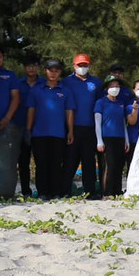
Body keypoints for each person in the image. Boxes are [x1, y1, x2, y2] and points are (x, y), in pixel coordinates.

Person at [26, 60, 74, 197]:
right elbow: (31, 110)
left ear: (60, 72)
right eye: (50, 70)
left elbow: (69, 111)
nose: (53, 74)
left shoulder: (65, 91)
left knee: (56, 164)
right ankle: (43, 192)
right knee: (41, 165)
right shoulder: (36, 90)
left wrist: (70, 130)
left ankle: (55, 192)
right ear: (45, 71)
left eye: (56, 71)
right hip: (39, 133)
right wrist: (28, 130)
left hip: (58, 133)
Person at [65, 52, 103, 197]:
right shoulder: (66, 82)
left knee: (89, 161)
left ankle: (90, 191)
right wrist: (68, 129)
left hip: (90, 127)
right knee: (70, 160)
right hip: (72, 127)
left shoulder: (96, 83)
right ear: (74, 66)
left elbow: (100, 104)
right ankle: (65, 190)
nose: (82, 67)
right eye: (80, 65)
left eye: (85, 65)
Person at [94, 76, 134, 197]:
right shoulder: (101, 102)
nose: (115, 88)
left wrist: (126, 140)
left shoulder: (121, 103)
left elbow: (123, 122)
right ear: (106, 88)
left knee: (118, 165)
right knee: (109, 166)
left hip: (120, 138)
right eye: (112, 86)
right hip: (107, 137)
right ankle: (107, 192)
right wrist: (99, 141)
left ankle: (117, 190)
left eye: (117, 86)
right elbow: (97, 123)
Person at [15, 52, 43, 197]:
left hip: (40, 127)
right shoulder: (17, 84)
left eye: (34, 65)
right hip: (20, 125)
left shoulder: (44, 84)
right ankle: (25, 190)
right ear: (25, 68)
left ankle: (41, 189)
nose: (31, 68)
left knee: (40, 160)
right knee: (23, 161)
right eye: (28, 66)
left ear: (38, 67)